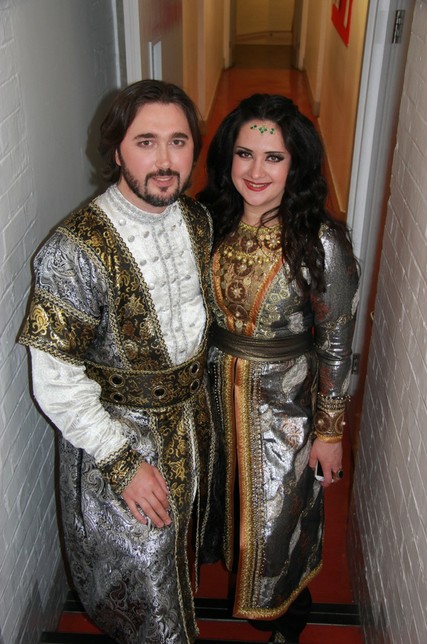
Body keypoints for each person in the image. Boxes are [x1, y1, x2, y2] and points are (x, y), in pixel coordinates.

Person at [18, 80, 220, 644]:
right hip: (120, 444)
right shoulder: (71, 251)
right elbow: (56, 379)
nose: (164, 161)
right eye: (146, 142)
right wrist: (122, 461)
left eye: (178, 142)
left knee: (176, 570)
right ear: (116, 151)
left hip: (192, 429)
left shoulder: (197, 220)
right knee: (144, 597)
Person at [197, 93, 359, 643]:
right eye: (245, 154)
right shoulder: (209, 221)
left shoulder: (320, 240)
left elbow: (336, 341)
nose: (256, 171)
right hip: (213, 398)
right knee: (227, 511)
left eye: (274, 157)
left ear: (297, 164)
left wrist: (330, 434)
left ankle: (288, 622)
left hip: (285, 410)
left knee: (279, 525)